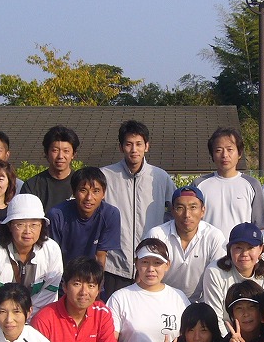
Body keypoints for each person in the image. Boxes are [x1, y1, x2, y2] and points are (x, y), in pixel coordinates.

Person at [100, 119, 175, 297]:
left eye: (139, 144)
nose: (134, 149)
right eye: (128, 144)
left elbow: (175, 211)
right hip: (114, 266)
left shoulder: (160, 177)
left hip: (150, 265)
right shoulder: (105, 176)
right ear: (121, 147)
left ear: (147, 146)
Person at [0, 194, 63, 327]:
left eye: (34, 225)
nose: (27, 231)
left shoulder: (52, 250)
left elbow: (48, 296)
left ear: (42, 225)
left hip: (34, 325)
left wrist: (27, 329)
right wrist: (0, 329)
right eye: (20, 224)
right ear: (9, 225)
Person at [143, 185, 227, 302]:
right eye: (180, 208)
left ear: (203, 211)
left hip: (201, 303)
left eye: (193, 207)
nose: (187, 214)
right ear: (172, 211)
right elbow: (144, 275)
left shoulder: (214, 236)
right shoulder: (157, 235)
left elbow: (220, 278)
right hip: (161, 300)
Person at [200, 223, 264, 331]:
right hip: (226, 335)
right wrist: (229, 340)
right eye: (238, 248)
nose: (244, 253)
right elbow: (215, 318)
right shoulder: (215, 272)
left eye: (250, 247)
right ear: (229, 250)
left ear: (261, 249)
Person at [190, 127, 264, 235]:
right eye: (218, 150)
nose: (224, 155)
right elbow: (190, 221)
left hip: (241, 245)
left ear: (239, 153)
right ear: (212, 155)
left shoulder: (252, 184)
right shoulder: (199, 185)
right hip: (207, 245)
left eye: (230, 149)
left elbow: (261, 226)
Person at [46, 166, 121, 272]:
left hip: (91, 276)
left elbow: (100, 256)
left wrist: (96, 281)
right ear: (74, 192)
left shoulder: (110, 214)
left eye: (96, 191)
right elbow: (52, 256)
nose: (89, 197)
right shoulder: (56, 215)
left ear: (103, 194)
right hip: (60, 275)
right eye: (83, 190)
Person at [21, 125, 80, 211]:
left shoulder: (81, 183)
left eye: (66, 151)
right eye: (55, 150)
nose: (60, 156)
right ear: (46, 152)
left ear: (73, 154)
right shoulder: (32, 186)